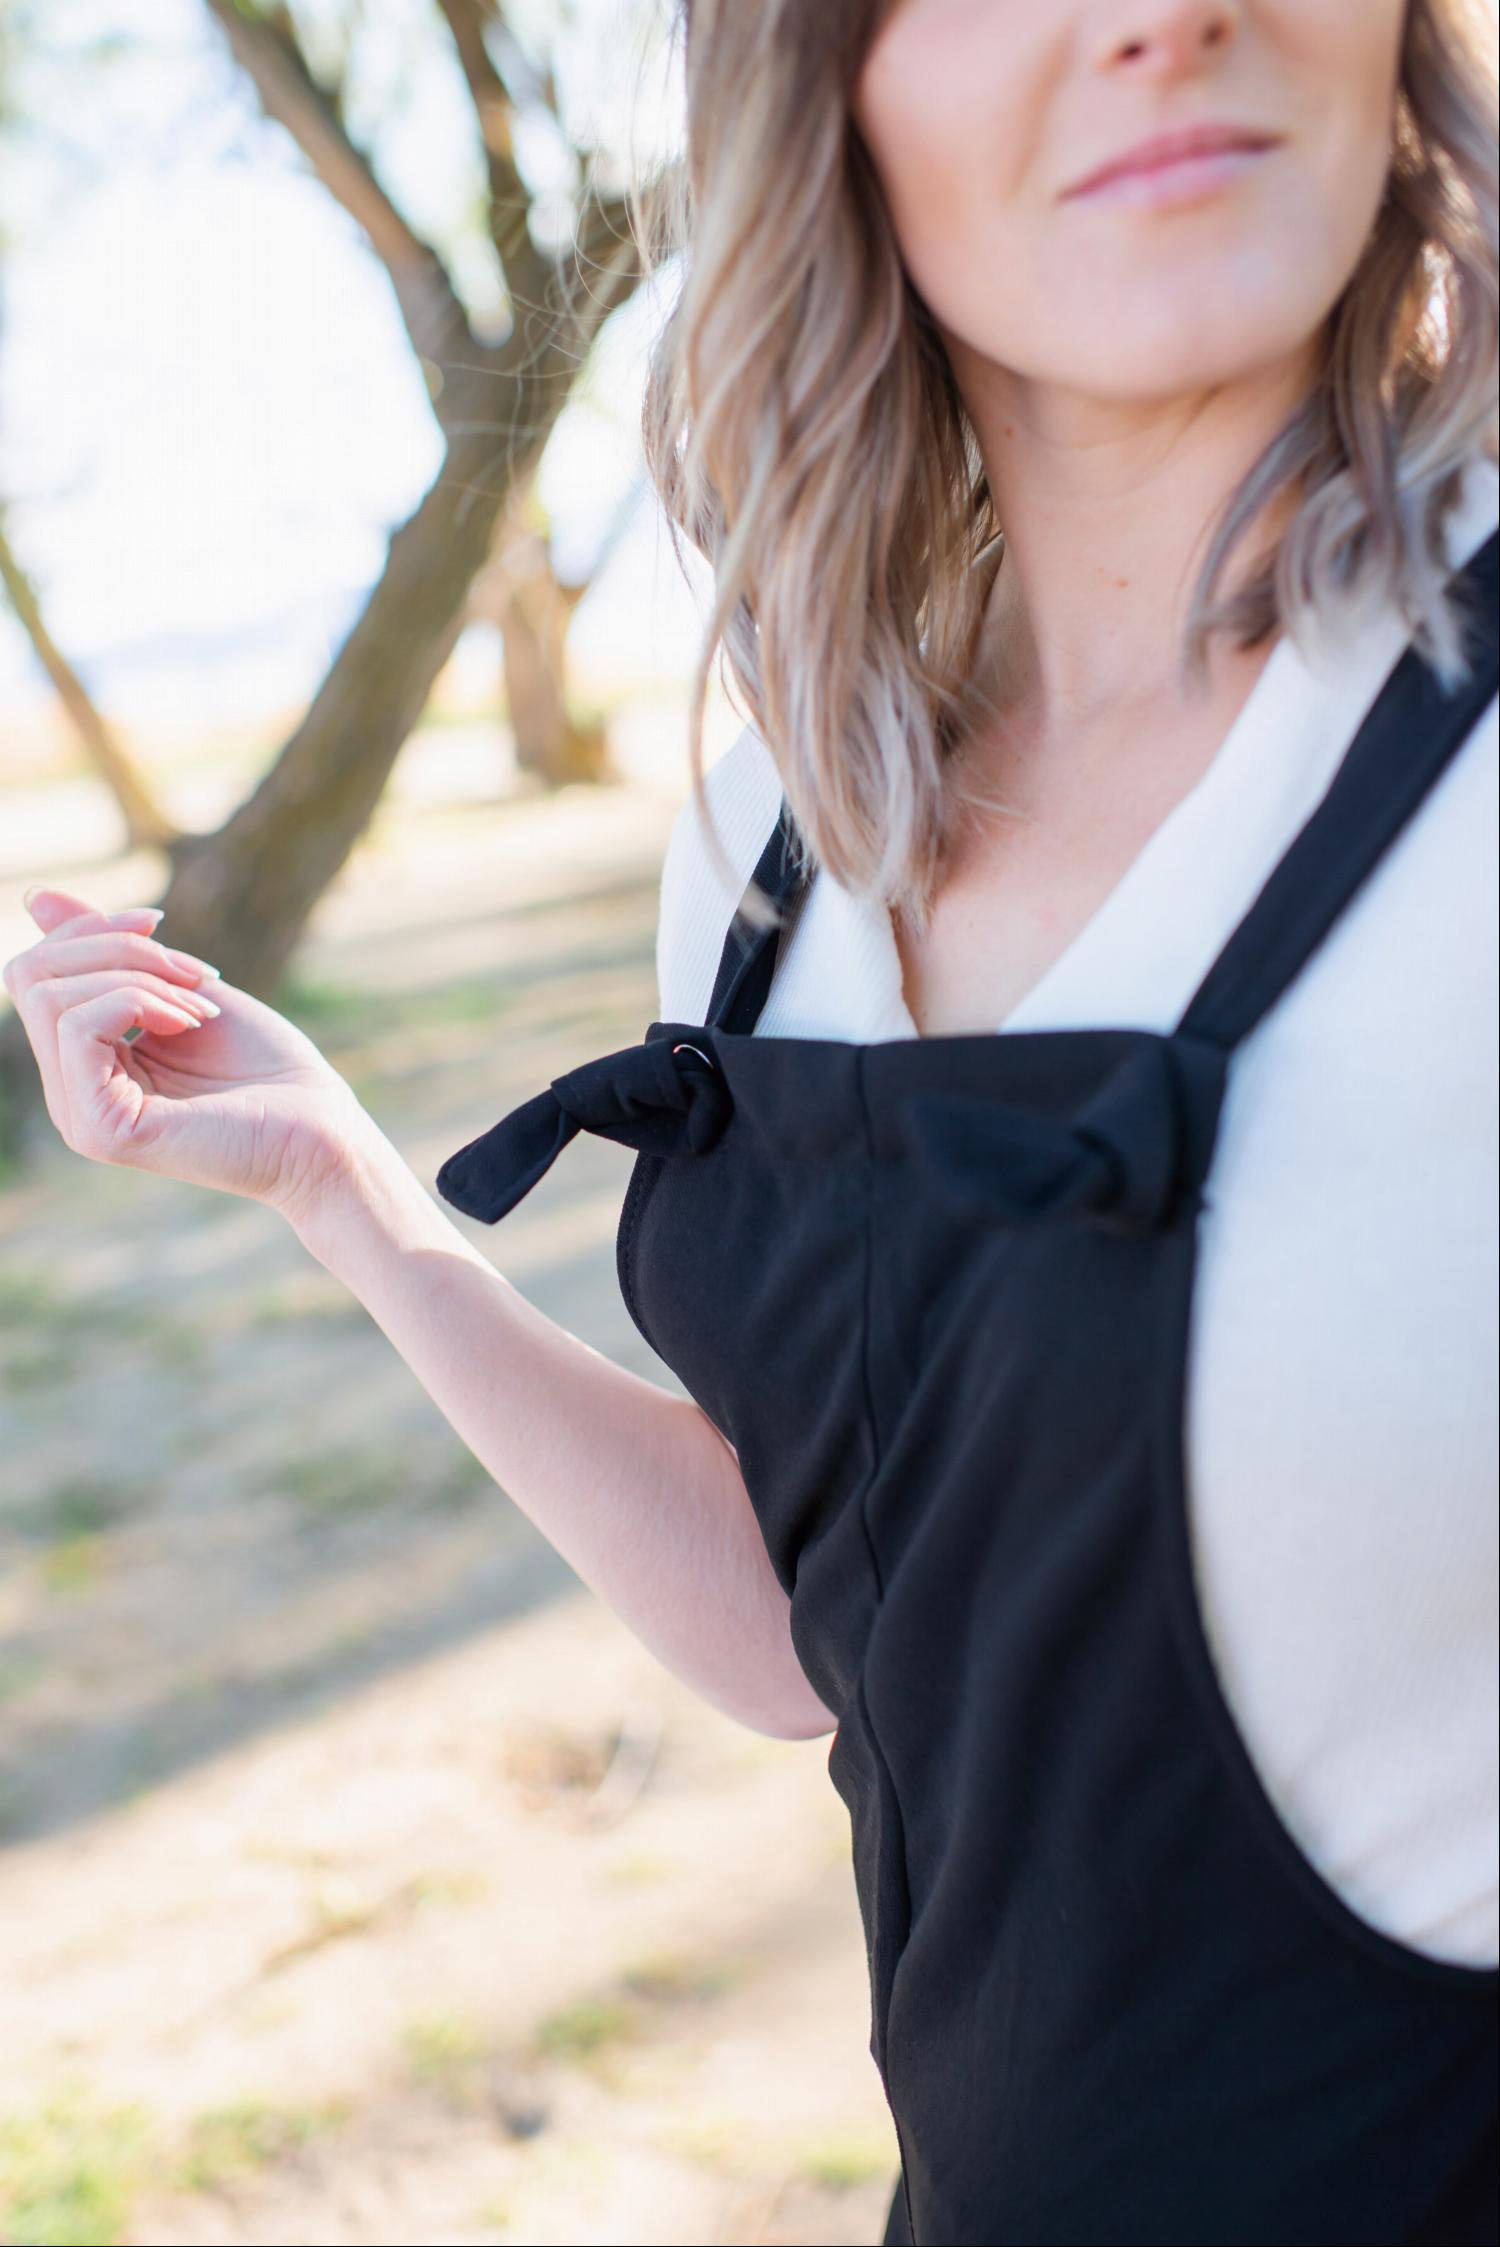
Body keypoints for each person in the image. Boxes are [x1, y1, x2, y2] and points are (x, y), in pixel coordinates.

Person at [5, 1, 1497, 2239]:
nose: (1161, 16)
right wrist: (347, 1188)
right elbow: (832, 1622)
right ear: (822, 90)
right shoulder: (781, 843)